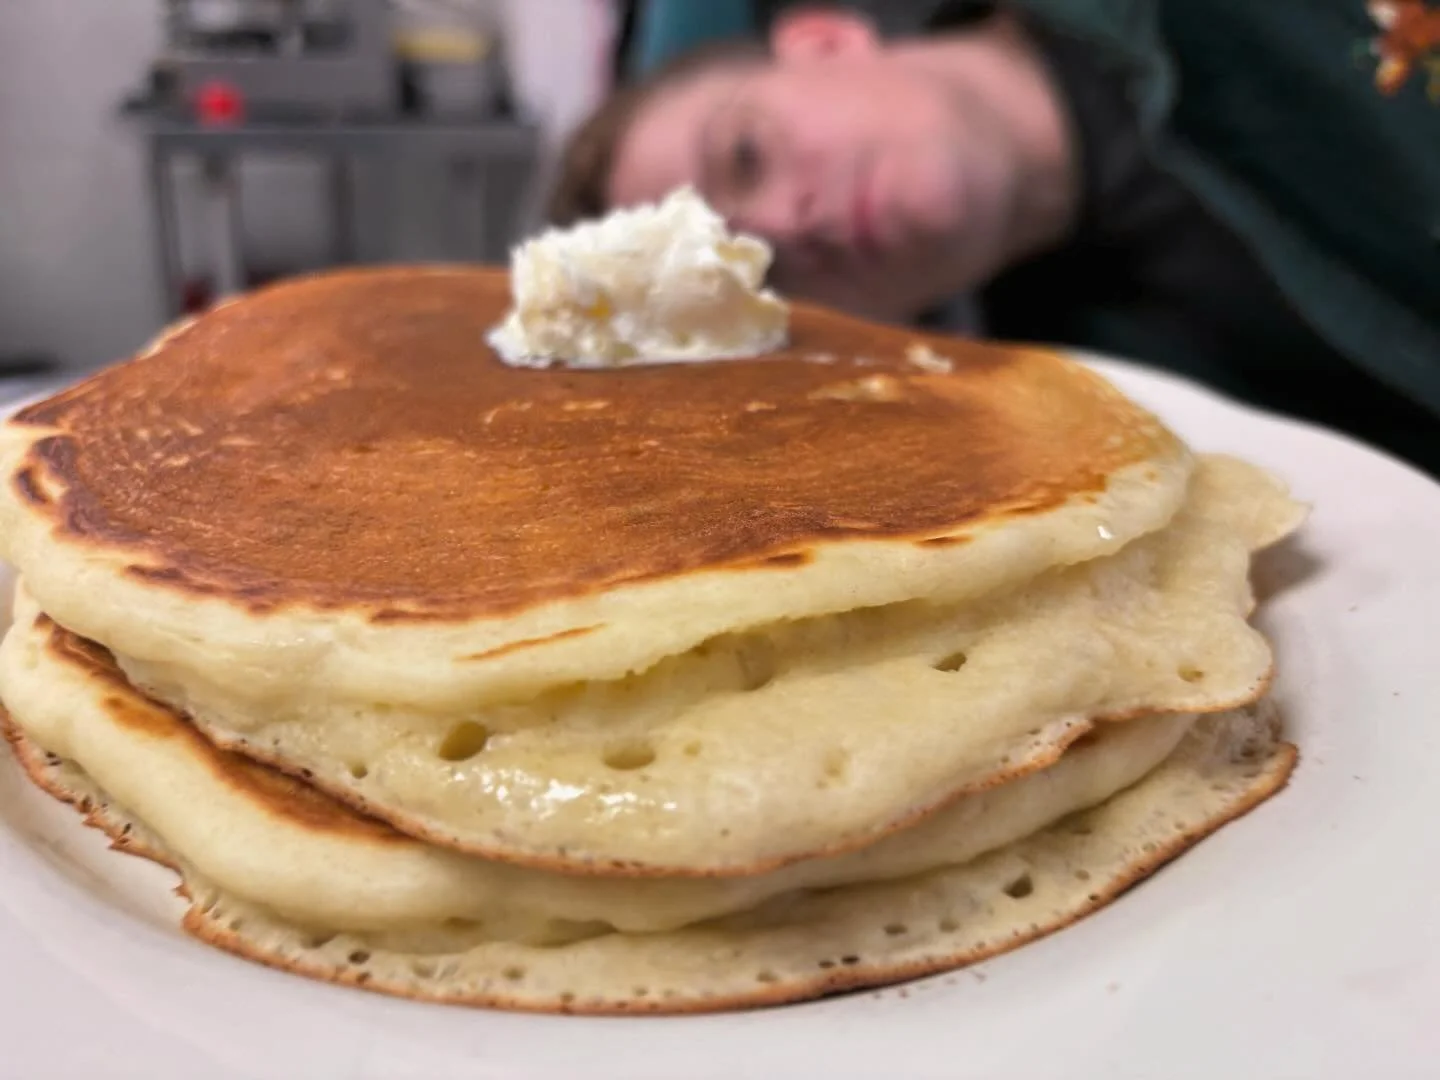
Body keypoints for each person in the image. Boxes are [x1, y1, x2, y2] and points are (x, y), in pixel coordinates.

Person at [548, 1, 1440, 477]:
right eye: (756, 274)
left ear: (823, 38)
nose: (787, 224)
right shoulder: (1114, 432)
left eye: (744, 156)